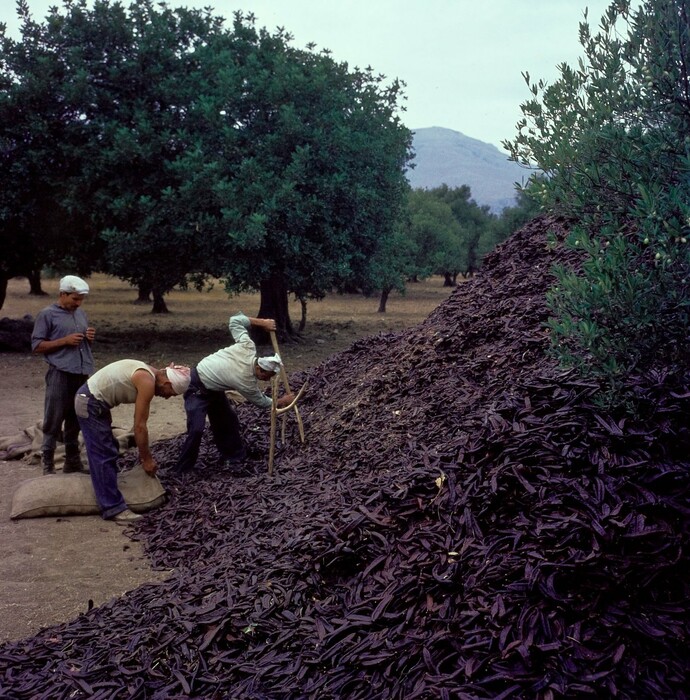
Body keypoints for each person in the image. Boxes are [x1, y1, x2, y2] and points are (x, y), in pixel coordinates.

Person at [173, 312, 295, 474]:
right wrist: (281, 401)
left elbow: (235, 321)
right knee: (196, 429)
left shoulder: (248, 346)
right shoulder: (246, 381)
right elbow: (262, 402)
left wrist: (262, 323)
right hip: (196, 386)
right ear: (259, 368)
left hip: (214, 388)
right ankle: (181, 470)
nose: (266, 380)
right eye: (267, 376)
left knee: (228, 420)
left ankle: (234, 457)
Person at [74, 360, 191, 523]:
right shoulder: (147, 381)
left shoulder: (151, 373)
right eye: (170, 393)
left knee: (110, 447)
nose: (166, 397)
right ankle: (112, 508)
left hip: (95, 401)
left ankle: (107, 485)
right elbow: (139, 426)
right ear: (167, 382)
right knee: (103, 454)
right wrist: (146, 459)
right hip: (90, 403)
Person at [31, 275, 96, 475]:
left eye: (81, 299)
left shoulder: (80, 314)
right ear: (63, 294)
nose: (78, 303)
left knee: (76, 418)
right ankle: (48, 465)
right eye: (75, 299)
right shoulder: (47, 315)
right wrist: (64, 341)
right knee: (53, 419)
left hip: (81, 372)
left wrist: (89, 338)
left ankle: (72, 462)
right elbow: (36, 345)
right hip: (60, 373)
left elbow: (81, 344)